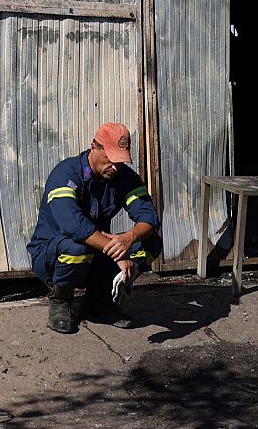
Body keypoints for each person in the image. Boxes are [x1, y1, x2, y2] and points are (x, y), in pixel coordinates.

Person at [27, 123, 162, 334]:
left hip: (96, 251)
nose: (115, 167)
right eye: (110, 159)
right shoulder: (66, 174)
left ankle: (99, 300)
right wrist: (116, 252)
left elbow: (149, 218)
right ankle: (61, 301)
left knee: (151, 242)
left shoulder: (123, 177)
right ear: (94, 147)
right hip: (52, 255)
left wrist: (129, 237)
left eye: (120, 161)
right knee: (77, 249)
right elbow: (74, 227)